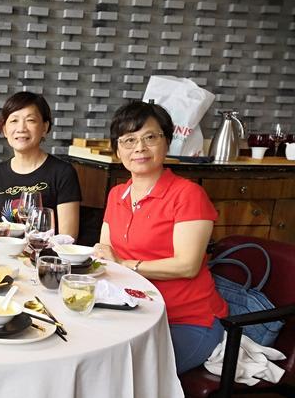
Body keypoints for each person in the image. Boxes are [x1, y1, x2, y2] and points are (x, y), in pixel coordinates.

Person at [93, 101, 228, 374]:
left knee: (116, 374)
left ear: (167, 142)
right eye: (129, 140)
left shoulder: (187, 195)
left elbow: (187, 266)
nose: (139, 148)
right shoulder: (117, 194)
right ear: (117, 150)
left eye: (150, 137)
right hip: (131, 312)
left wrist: (125, 264)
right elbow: (105, 252)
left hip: (184, 320)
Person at [0, 91, 81, 238]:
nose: (21, 128)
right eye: (14, 120)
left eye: (30, 120)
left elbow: (68, 237)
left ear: (44, 128)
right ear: (5, 130)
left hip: (43, 251)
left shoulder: (63, 172)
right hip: (3, 251)